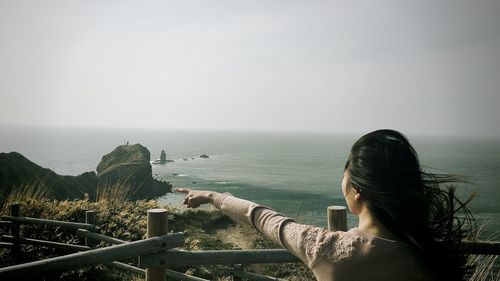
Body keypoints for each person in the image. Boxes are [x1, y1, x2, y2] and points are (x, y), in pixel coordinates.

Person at [176, 129, 475, 281]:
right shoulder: (432, 255)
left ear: (357, 191)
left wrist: (213, 196)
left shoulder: (326, 250)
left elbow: (262, 218)